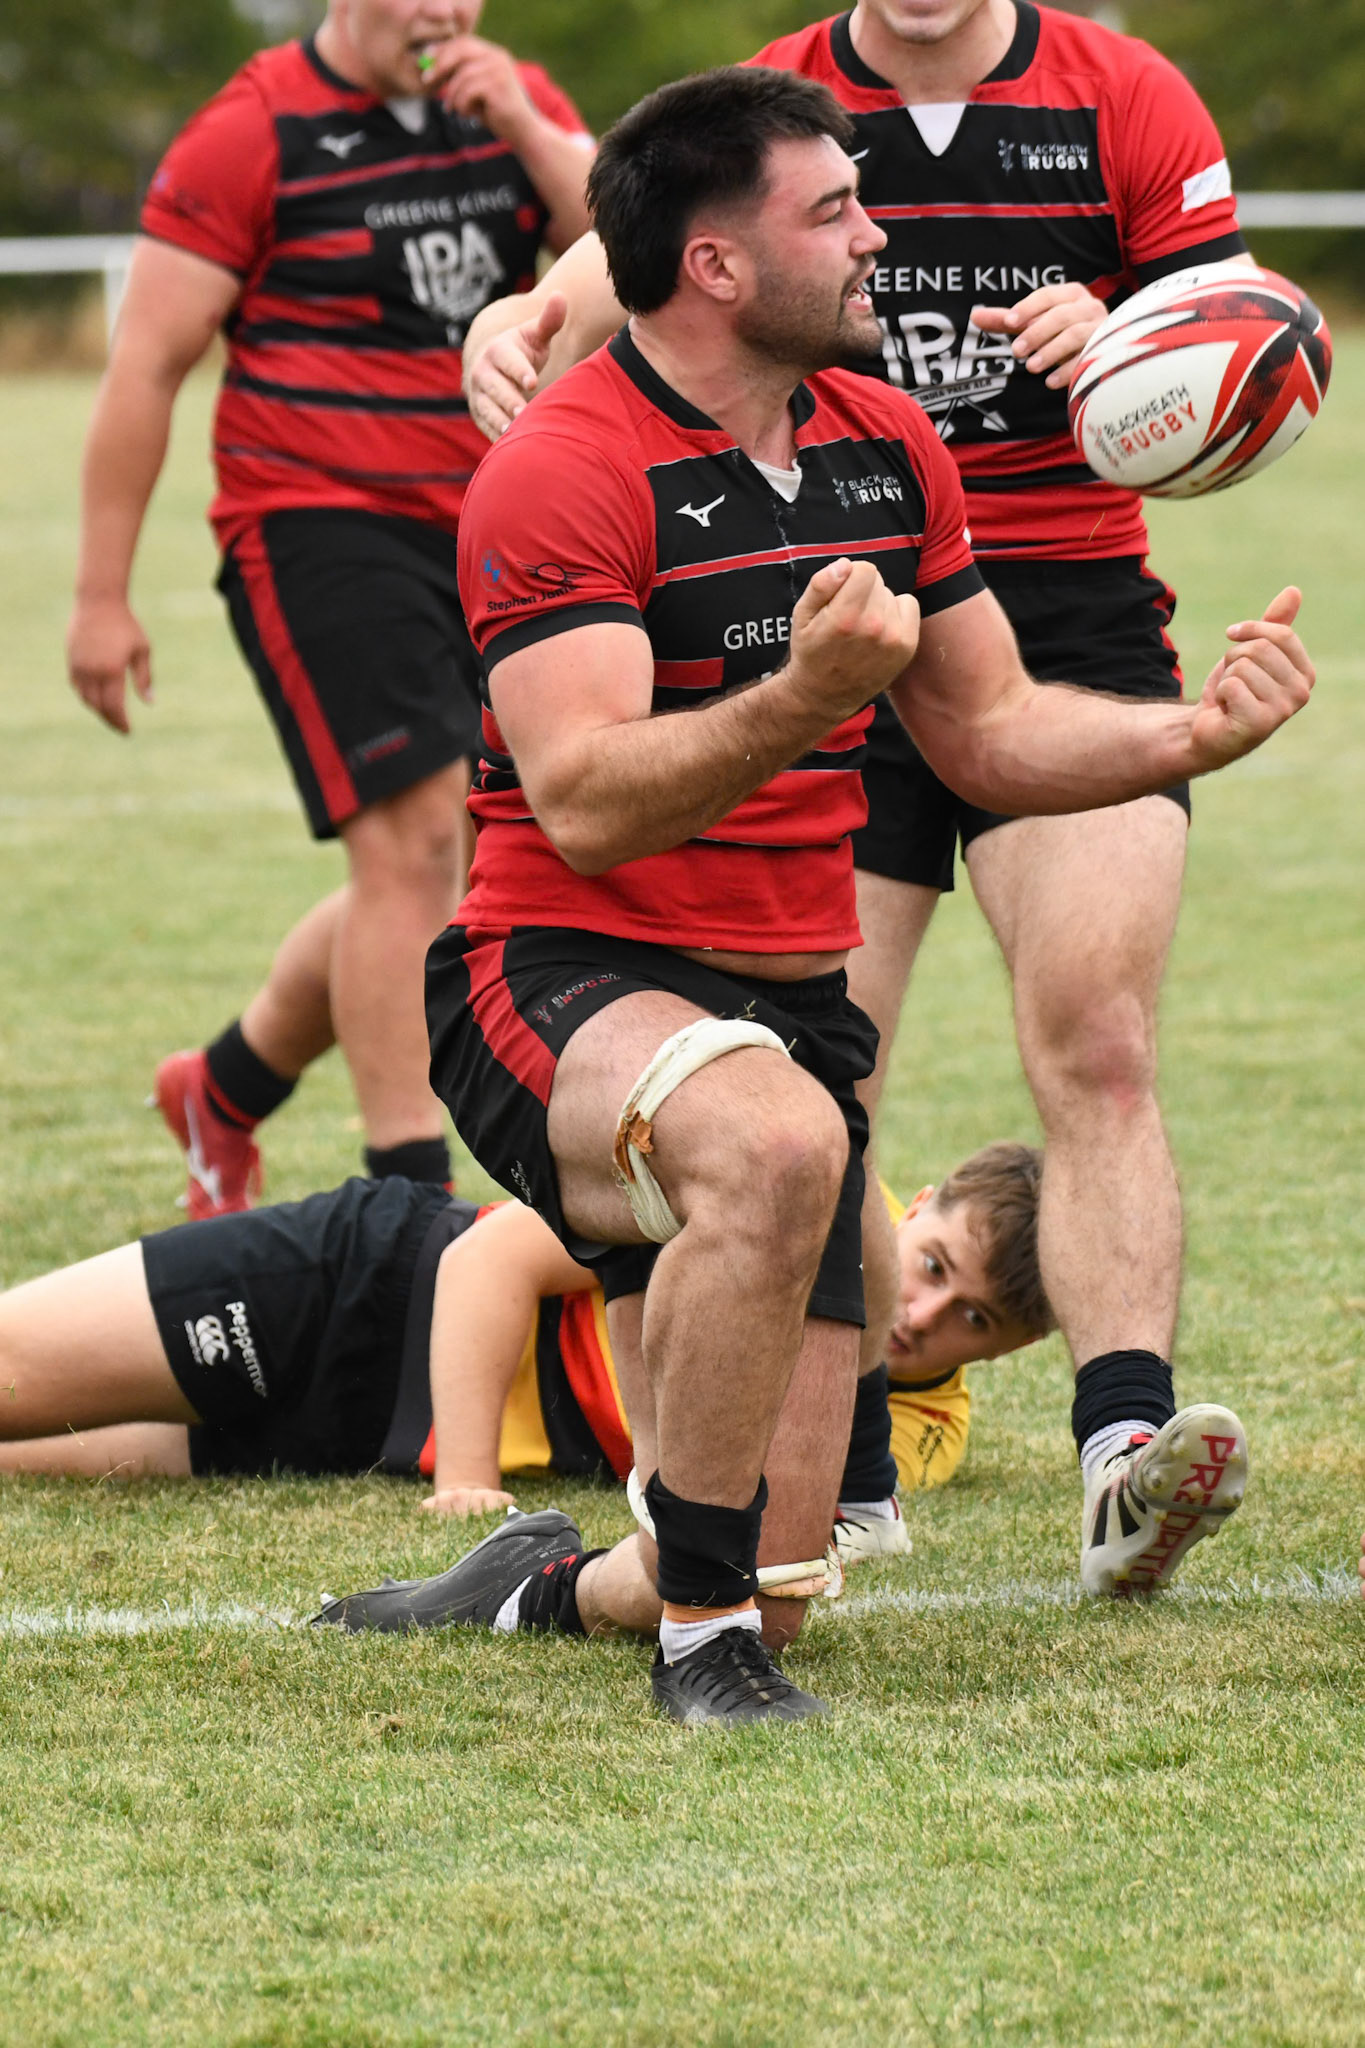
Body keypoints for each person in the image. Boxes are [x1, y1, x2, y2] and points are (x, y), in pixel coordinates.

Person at [385, 65, 1309, 1725]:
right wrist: (804, 700)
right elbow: (584, 801)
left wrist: (1195, 730)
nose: (882, 235)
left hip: (776, 1006)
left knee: (783, 1570)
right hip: (556, 979)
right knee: (793, 1136)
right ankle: (698, 1655)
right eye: (836, 212)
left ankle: (540, 1587)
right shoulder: (563, 468)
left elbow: (987, 724)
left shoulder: (886, 443)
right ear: (720, 265)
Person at [64, 0, 594, 1218]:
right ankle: (406, 1195)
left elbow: (620, 238)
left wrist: (517, 114)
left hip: (486, 518)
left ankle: (227, 1086)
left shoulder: (508, 99)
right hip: (314, 518)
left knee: (452, 860)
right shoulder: (251, 129)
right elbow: (147, 363)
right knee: (409, 844)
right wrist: (101, 596)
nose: (439, 13)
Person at [0, 1147, 1049, 1537]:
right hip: (365, 1289)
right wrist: (465, 1476)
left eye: (975, 1321)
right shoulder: (782, 1203)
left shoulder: (915, 1429)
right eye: (935, 1265)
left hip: (358, 1431)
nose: (923, 1318)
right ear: (913, 1205)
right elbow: (488, 1260)